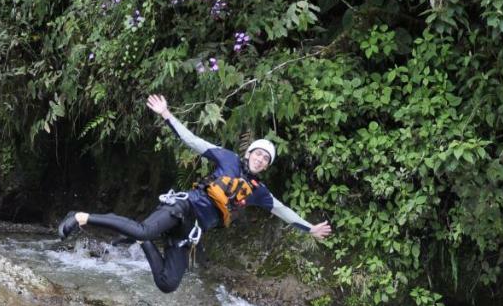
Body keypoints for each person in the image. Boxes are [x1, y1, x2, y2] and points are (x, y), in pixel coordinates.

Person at [57, 94, 332, 293]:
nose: (260, 160)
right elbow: (192, 140)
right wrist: (167, 115)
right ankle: (82, 217)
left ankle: (143, 244)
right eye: (258, 154)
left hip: (191, 232)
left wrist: (310, 229)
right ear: (249, 154)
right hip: (183, 209)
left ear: (266, 166)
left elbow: (283, 210)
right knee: (142, 229)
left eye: (265, 160)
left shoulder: (259, 192)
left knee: (167, 283)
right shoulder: (228, 159)